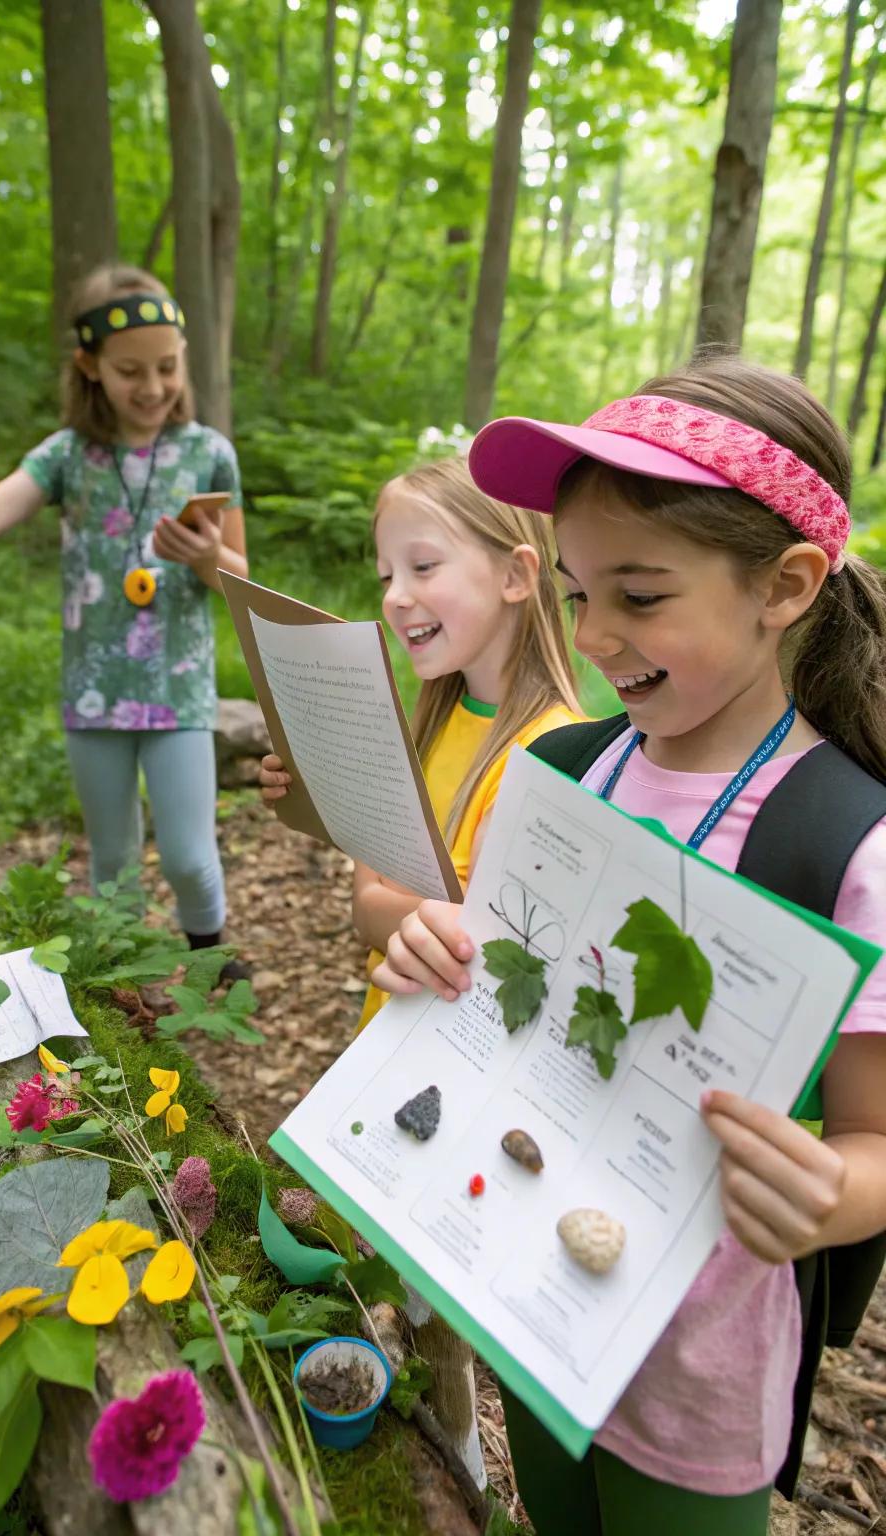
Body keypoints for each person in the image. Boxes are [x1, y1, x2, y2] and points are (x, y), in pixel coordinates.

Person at [371, 357, 886, 1534]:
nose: (592, 632)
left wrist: (829, 1197)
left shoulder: (846, 843)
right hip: (524, 1280)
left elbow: (873, 1144)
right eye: (575, 588)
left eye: (640, 596)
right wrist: (431, 960)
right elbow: (497, 989)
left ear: (787, 584)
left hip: (695, 1365)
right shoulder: (558, 773)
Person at [0, 263, 247, 961]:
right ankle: (129, 994)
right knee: (112, 866)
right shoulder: (68, 457)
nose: (152, 388)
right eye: (129, 371)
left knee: (189, 859)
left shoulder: (208, 455)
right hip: (94, 696)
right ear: (90, 366)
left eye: (167, 368)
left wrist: (206, 559)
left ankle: (209, 958)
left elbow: (243, 580)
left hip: (179, 693)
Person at [261, 453, 582, 1029]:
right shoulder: (426, 728)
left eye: (424, 566)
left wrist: (410, 914)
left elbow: (489, 952)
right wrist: (327, 784)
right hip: (384, 1038)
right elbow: (365, 909)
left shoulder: (552, 757)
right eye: (387, 576)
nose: (395, 596)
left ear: (515, 576)